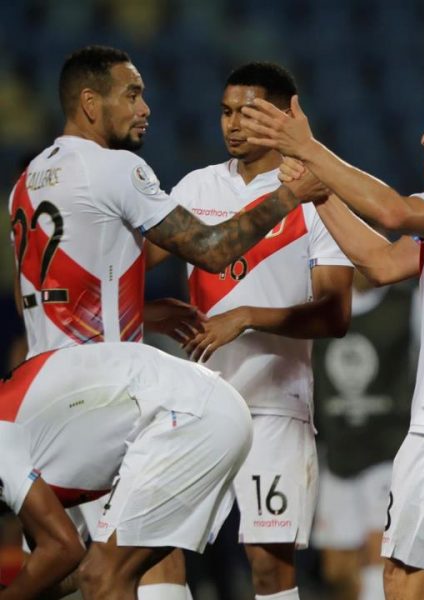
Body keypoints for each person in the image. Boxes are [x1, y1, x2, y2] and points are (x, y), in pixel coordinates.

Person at [7, 45, 306, 599]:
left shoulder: (27, 182)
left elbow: (63, 294)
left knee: (69, 576)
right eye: (132, 94)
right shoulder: (116, 167)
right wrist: (291, 195)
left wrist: (139, 308)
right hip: (106, 401)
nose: (145, 108)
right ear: (91, 103)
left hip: (41, 404)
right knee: (151, 570)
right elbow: (213, 250)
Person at [242, 84, 424, 600]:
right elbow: (379, 263)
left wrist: (309, 147)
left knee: (406, 584)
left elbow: (393, 213)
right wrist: (319, 192)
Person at [145, 61, 354, 600]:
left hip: (274, 405)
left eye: (249, 112)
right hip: (194, 402)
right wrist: (146, 314)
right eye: (226, 111)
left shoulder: (315, 195)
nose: (233, 124)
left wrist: (247, 318)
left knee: (267, 568)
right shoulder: (196, 186)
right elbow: (128, 264)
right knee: (159, 551)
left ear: (286, 115)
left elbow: (334, 314)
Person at [0, 342, 252, 598]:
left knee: (103, 575)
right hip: (204, 408)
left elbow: (64, 550)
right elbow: (58, 574)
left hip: (190, 416)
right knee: (106, 573)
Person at [310, 273, 415, 600]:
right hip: (337, 452)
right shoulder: (316, 312)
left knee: (378, 553)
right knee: (337, 570)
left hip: (388, 450)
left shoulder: (407, 305)